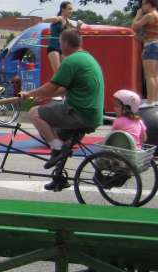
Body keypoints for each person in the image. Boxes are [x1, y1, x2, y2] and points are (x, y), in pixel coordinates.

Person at [22, 28, 104, 190]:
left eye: (60, 43)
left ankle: (56, 149)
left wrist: (30, 93)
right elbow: (63, 88)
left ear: (66, 43)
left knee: (34, 113)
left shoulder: (71, 61)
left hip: (80, 112)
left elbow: (52, 86)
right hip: (91, 113)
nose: (60, 47)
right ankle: (59, 177)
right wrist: (42, 95)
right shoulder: (86, 58)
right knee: (59, 135)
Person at [132, 0, 158, 106]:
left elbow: (134, 26)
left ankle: (150, 101)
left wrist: (138, 14)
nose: (142, 7)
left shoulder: (149, 15)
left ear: (149, 4)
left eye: (143, 4)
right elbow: (153, 34)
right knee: (155, 75)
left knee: (149, 76)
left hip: (151, 46)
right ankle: (155, 100)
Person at [44, 2, 81, 74]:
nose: (71, 11)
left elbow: (75, 33)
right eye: (69, 9)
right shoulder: (59, 18)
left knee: (65, 72)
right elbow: (45, 20)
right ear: (63, 9)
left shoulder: (68, 22)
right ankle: (56, 85)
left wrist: (79, 26)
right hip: (54, 48)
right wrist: (55, 18)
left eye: (71, 9)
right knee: (57, 73)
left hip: (63, 49)